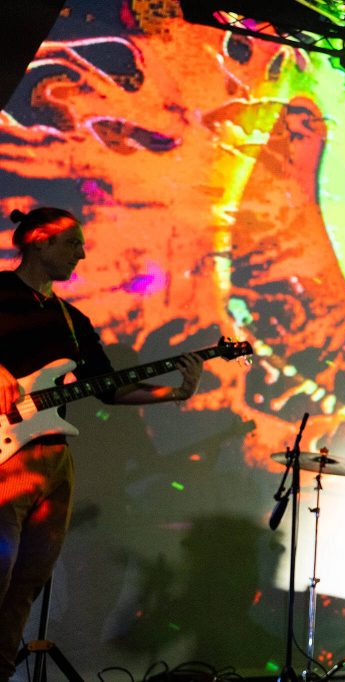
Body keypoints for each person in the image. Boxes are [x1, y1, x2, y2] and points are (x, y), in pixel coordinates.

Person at [0, 207, 205, 681]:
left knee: (28, 581)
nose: (82, 252)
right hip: (7, 465)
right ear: (39, 241)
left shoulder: (72, 320)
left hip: (52, 459)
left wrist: (174, 391)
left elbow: (109, 388)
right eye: (72, 242)